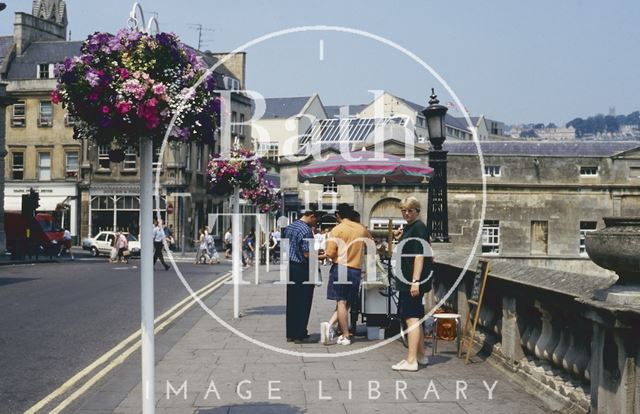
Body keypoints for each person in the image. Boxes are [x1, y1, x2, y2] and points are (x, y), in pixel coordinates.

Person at [391, 197, 432, 372]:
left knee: (411, 319)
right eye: (404, 210)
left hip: (411, 281)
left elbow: (419, 256)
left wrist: (415, 281)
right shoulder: (411, 228)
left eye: (410, 210)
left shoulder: (418, 228)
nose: (406, 213)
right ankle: (421, 356)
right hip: (407, 280)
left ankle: (411, 360)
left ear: (417, 211)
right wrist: (399, 237)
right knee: (416, 316)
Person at [319, 204, 370, 346]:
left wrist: (317, 256)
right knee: (348, 302)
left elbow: (330, 253)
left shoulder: (336, 230)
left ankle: (345, 335)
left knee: (341, 302)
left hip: (341, 267)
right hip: (355, 268)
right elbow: (372, 243)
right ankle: (329, 325)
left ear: (338, 216)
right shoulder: (361, 229)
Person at [285, 207, 323, 343]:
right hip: (303, 268)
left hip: (291, 266)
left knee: (292, 301)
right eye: (316, 220)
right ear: (311, 216)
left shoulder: (290, 227)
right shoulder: (306, 230)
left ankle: (290, 333)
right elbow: (307, 253)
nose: (316, 223)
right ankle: (300, 334)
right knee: (303, 301)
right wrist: (320, 255)